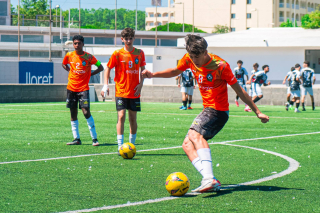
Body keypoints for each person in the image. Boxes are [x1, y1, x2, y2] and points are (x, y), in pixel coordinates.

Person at [142, 34, 269, 193]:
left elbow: (240, 90)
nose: (194, 60)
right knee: (187, 145)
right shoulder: (189, 58)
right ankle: (210, 179)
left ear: (205, 52)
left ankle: (208, 178)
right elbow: (175, 70)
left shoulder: (220, 66)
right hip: (207, 109)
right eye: (191, 56)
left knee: (194, 135)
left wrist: (257, 112)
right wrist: (153, 75)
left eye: (197, 57)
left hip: (218, 110)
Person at [100, 28, 146, 153]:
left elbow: (143, 71)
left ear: (134, 38)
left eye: (131, 38)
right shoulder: (117, 54)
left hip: (134, 92)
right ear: (122, 39)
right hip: (120, 91)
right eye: (126, 38)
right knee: (121, 116)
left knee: (133, 119)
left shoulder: (140, 53)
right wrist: (106, 85)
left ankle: (131, 146)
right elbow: (107, 68)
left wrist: (141, 84)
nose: (129, 40)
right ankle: (120, 146)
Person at [62, 35, 104, 146]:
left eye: (79, 43)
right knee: (73, 112)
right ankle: (76, 139)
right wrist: (70, 71)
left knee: (86, 112)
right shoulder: (69, 55)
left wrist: (90, 74)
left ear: (83, 44)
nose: (76, 45)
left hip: (83, 89)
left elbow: (101, 66)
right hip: (71, 88)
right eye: (75, 43)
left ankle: (94, 139)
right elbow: (63, 63)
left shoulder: (89, 57)